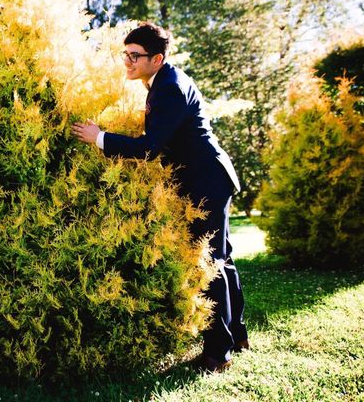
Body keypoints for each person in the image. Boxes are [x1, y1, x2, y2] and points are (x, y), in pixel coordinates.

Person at [71, 23, 249, 372]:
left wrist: (99, 137)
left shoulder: (168, 88)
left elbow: (150, 148)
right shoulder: (165, 81)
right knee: (222, 261)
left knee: (210, 263)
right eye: (126, 54)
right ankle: (236, 337)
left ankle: (218, 354)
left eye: (134, 56)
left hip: (205, 181)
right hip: (209, 177)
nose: (128, 62)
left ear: (157, 58)